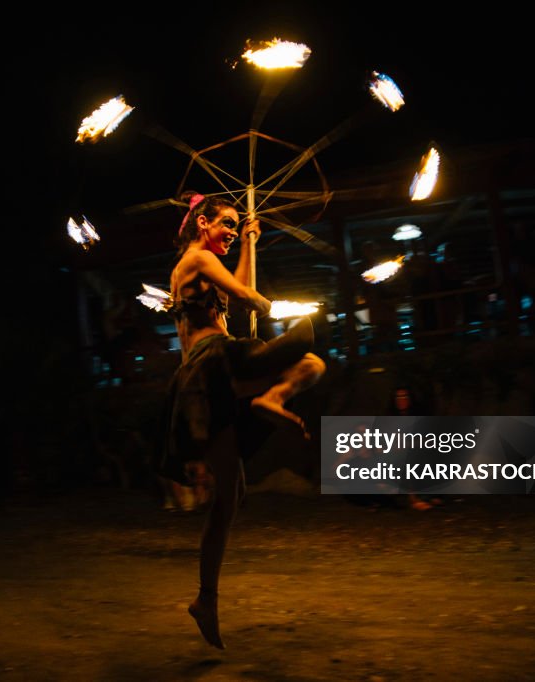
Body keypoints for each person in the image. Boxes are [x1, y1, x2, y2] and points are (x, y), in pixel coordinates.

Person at [159, 191, 325, 649]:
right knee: (308, 354)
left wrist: (251, 241)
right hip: (211, 366)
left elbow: (238, 293)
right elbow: (248, 296)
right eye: (226, 224)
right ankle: (268, 399)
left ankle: (205, 600)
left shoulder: (209, 263)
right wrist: (283, 308)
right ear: (202, 225)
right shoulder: (195, 259)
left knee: (230, 498)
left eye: (235, 225)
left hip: (210, 375)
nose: (231, 232)